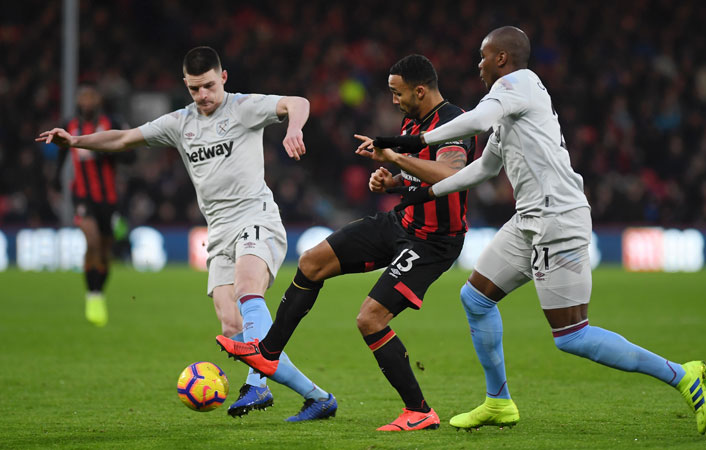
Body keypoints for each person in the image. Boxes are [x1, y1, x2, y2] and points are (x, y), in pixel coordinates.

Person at [368, 26, 706, 434]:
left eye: (483, 56)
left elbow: (475, 120)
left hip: (557, 217)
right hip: (529, 219)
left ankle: (681, 375)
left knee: (572, 336)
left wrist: (409, 143)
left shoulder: (521, 83)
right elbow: (482, 170)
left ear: (501, 59)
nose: (478, 64)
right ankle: (498, 402)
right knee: (476, 299)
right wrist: (412, 192)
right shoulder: (510, 107)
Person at [37, 46, 337, 422]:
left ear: (223, 77)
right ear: (186, 85)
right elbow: (122, 139)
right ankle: (318, 397)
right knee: (231, 327)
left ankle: (258, 386)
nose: (203, 96)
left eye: (209, 86)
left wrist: (293, 128)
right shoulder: (180, 123)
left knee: (248, 291)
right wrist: (76, 141)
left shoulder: (243, 107)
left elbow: (298, 102)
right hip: (218, 231)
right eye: (195, 89)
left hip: (254, 216)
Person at [217, 54, 476, 431]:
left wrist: (397, 161)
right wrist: (392, 182)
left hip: (433, 241)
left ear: (420, 91)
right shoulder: (412, 120)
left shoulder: (453, 122)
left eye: (397, 92)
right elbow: (422, 179)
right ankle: (268, 354)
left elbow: (453, 173)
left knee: (370, 319)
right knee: (311, 262)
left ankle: (419, 411)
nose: (392, 100)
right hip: (400, 222)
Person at [53, 84, 124, 327]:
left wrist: (107, 151)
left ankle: (99, 293)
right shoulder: (70, 126)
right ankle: (91, 294)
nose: (87, 101)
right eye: (83, 97)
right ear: (78, 101)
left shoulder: (111, 122)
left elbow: (130, 155)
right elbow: (62, 157)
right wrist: (55, 182)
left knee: (105, 251)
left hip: (109, 198)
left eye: (91, 96)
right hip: (82, 196)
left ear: (98, 100)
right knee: (91, 240)